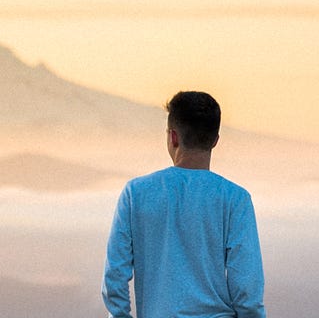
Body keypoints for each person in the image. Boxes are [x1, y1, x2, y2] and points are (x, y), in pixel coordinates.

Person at [103, 91, 265, 318]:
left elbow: (115, 277)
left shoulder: (136, 193)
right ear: (215, 140)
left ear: (173, 137)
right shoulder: (236, 199)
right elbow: (246, 290)